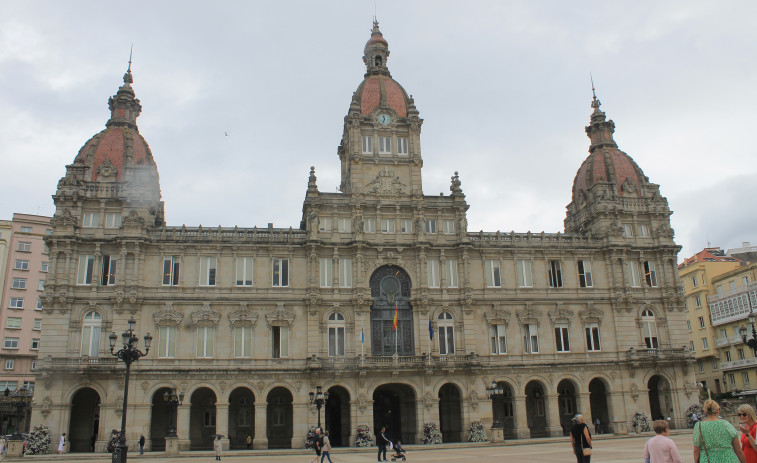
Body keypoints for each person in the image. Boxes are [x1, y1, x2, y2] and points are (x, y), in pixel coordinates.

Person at [693, 399, 747, 463]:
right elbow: (738, 450)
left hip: (708, 460)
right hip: (728, 459)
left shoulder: (699, 426)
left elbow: (696, 450)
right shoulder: (726, 424)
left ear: (705, 412)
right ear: (718, 410)